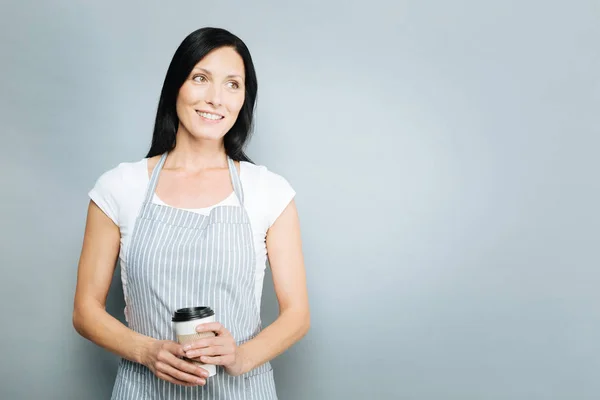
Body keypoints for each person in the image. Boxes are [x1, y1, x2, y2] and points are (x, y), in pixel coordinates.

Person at [72, 27, 310, 399]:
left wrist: (240, 357)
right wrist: (147, 352)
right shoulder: (119, 187)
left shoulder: (270, 192)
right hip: (144, 388)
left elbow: (297, 314)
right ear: (176, 88)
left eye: (233, 84)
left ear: (244, 99)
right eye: (201, 78)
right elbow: (85, 310)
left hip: (242, 390)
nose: (216, 99)